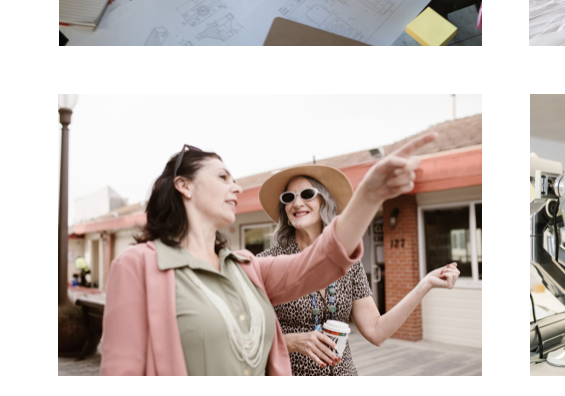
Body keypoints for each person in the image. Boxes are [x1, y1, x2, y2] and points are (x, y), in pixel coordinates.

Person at [100, 135, 435, 375]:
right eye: (222, 177)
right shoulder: (137, 266)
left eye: (234, 180)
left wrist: (371, 194)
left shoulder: (246, 267)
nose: (236, 188)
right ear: (184, 186)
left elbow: (322, 261)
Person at [256, 162, 460, 375]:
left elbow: (376, 331)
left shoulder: (347, 261)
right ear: (285, 211)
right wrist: (290, 342)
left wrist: (424, 285)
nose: (297, 203)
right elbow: (245, 338)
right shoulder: (266, 264)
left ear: (325, 201)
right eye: (289, 197)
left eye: (307, 194)